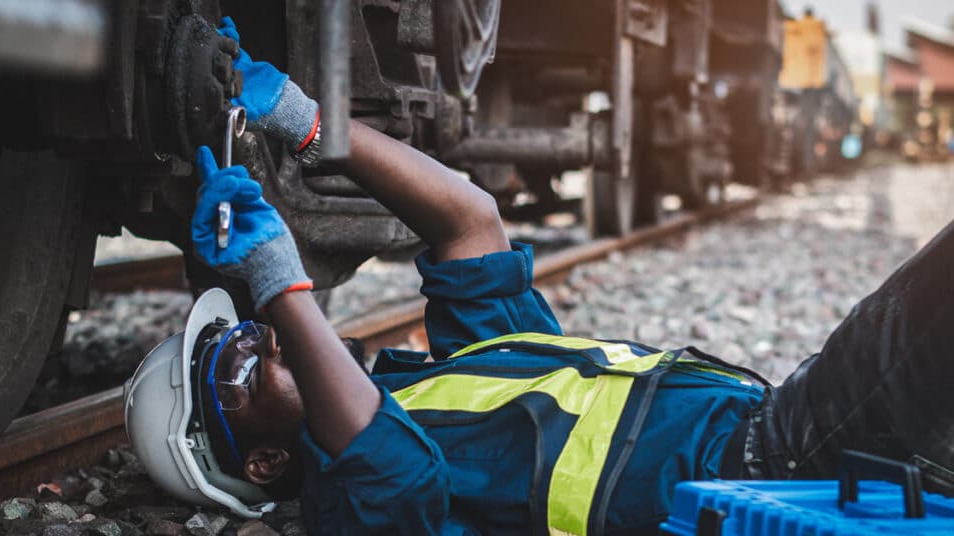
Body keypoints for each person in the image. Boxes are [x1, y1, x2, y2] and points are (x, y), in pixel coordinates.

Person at [123, 18, 954, 534]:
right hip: (775, 476)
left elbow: (468, 220)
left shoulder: (456, 381)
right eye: (237, 364)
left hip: (793, 435)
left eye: (244, 331)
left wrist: (304, 120)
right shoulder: (346, 502)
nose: (260, 337)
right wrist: (275, 277)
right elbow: (389, 464)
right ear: (263, 463)